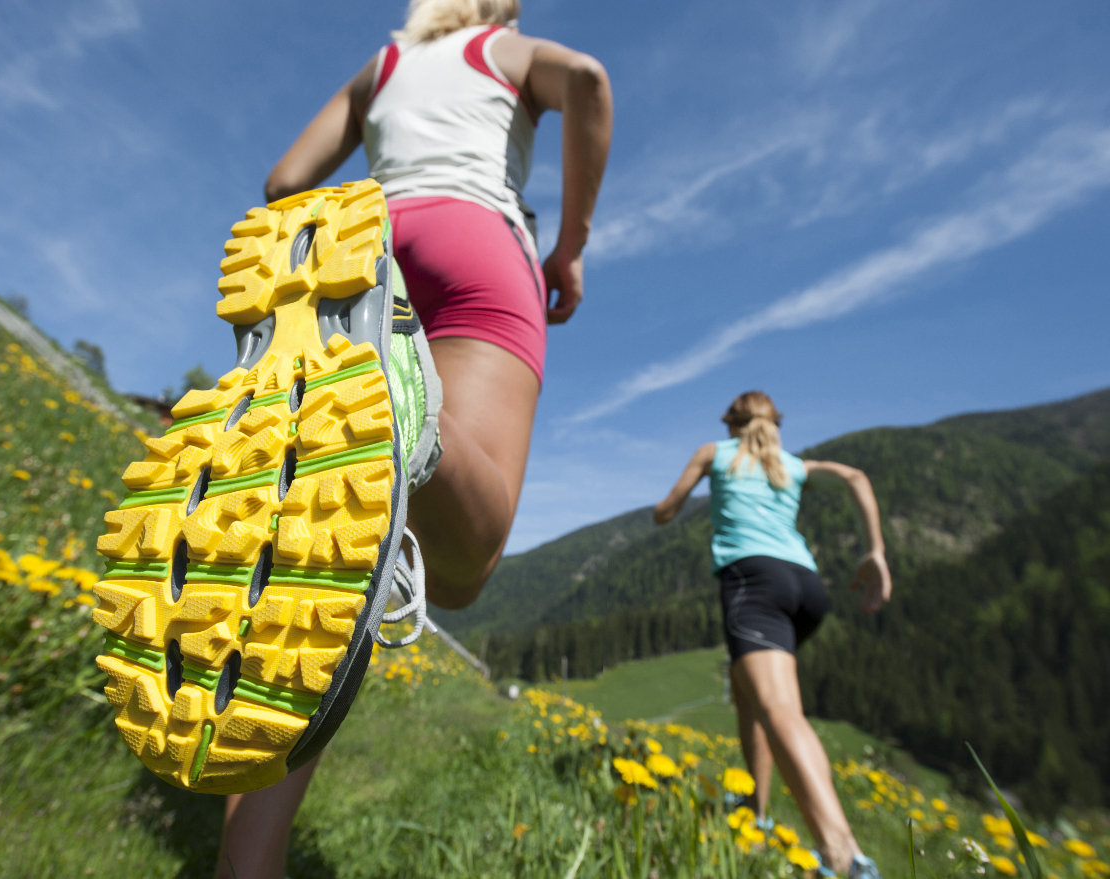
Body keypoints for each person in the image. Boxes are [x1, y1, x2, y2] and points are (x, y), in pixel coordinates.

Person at [213, 1, 612, 876]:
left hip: (364, 254)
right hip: (476, 241)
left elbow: (285, 181)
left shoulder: (382, 67)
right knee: (467, 561)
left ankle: (247, 862)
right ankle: (407, 411)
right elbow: (585, 79)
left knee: (331, 562)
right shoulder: (496, 48)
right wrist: (571, 246)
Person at [654, 391, 892, 879]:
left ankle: (845, 857)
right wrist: (876, 552)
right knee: (750, 699)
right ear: (774, 423)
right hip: (805, 586)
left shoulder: (713, 454)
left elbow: (666, 510)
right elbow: (856, 477)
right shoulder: (794, 464)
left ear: (730, 424)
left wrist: (667, 507)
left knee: (779, 709)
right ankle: (755, 813)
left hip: (753, 584)